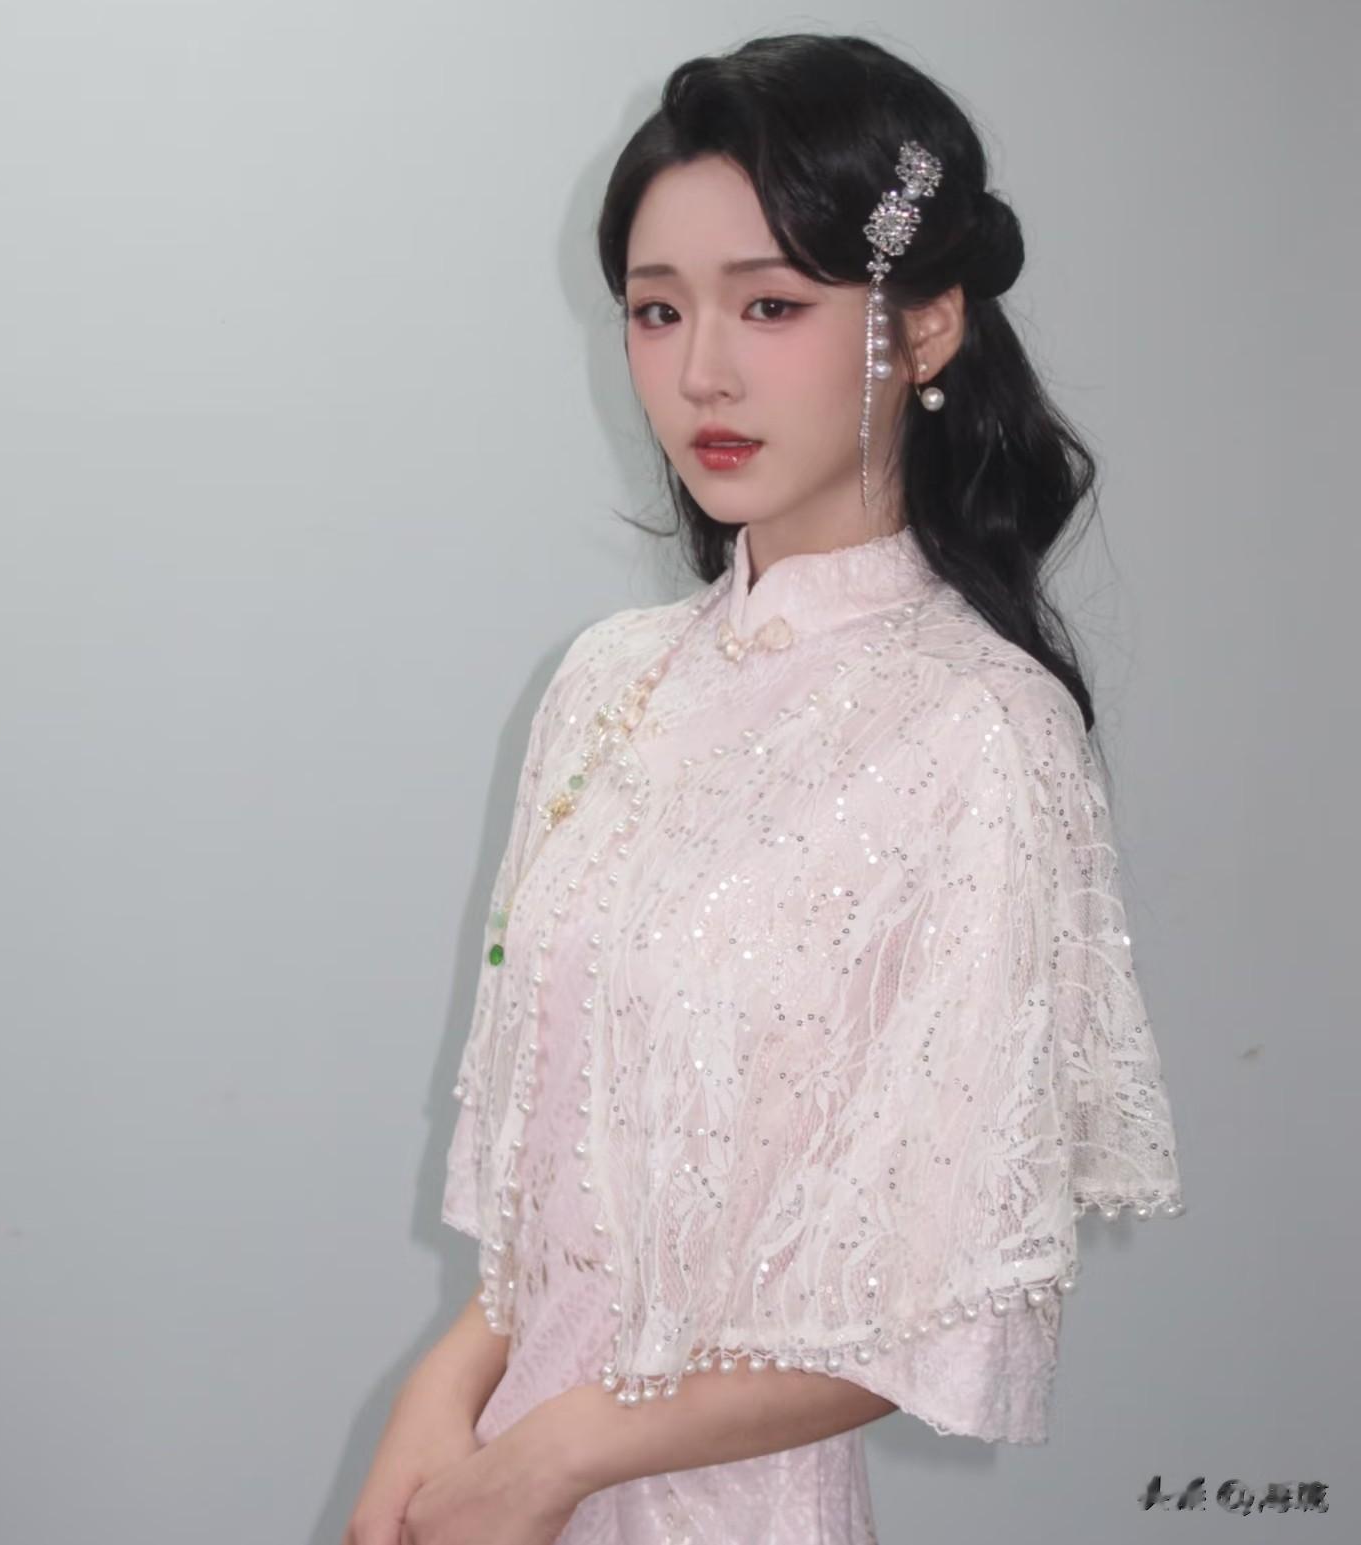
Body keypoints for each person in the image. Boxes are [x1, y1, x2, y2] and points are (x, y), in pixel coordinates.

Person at [346, 30, 1186, 1545]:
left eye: (773, 305)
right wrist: (445, 1384)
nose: (702, 373)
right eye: (656, 310)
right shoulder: (609, 682)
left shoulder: (978, 730)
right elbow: (559, 1196)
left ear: (925, 327)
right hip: (505, 1478)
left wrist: (563, 1452)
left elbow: (938, 1295)